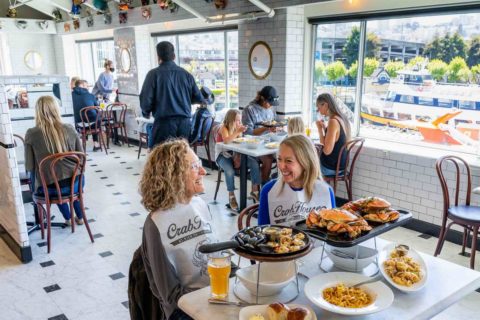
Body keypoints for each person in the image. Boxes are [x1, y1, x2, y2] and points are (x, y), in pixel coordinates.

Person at [129, 140, 215, 320]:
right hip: (183, 310)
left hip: (215, 295)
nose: (203, 171)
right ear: (173, 175)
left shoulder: (200, 205)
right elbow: (170, 295)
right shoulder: (156, 224)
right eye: (194, 167)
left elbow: (216, 253)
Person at [24, 96, 85, 225]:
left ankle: (68, 218)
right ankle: (80, 217)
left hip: (52, 188)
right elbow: (82, 157)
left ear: (37, 112)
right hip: (76, 183)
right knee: (68, 178)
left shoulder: (31, 133)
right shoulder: (69, 128)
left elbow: (30, 166)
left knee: (51, 179)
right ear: (56, 109)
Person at [258, 134, 335, 226]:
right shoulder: (268, 190)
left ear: (305, 163)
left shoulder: (326, 191)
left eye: (289, 161)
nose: (281, 166)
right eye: (279, 159)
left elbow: (332, 233)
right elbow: (262, 232)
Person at [140, 41, 205, 147]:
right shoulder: (186, 75)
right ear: (174, 56)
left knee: (163, 159)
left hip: (164, 124)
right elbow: (198, 98)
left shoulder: (153, 74)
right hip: (184, 124)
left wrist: (146, 113)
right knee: (181, 157)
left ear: (158, 57)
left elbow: (145, 100)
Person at [215, 109, 262, 210]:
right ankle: (231, 196)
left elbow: (238, 146)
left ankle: (255, 191)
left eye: (240, 121)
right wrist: (238, 131)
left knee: (254, 163)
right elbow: (227, 141)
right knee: (230, 171)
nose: (239, 123)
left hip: (235, 154)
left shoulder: (237, 128)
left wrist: (237, 157)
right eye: (237, 121)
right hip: (222, 155)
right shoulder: (223, 127)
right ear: (231, 120)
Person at [242, 86, 280, 184]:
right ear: (262, 98)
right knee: (268, 159)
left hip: (268, 143)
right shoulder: (249, 110)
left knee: (283, 156)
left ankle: (275, 185)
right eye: (269, 103)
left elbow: (274, 123)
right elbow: (247, 132)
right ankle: (264, 187)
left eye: (272, 104)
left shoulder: (271, 109)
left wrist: (276, 128)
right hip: (253, 145)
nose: (271, 106)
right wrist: (266, 127)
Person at [316, 93, 352, 177]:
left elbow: (326, 151)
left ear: (325, 105)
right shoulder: (342, 118)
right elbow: (336, 139)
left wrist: (320, 130)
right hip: (342, 167)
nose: (318, 111)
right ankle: (323, 189)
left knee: (303, 164)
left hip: (331, 169)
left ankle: (318, 189)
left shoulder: (333, 121)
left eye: (319, 107)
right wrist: (325, 129)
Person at [72, 79, 101, 151]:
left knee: (90, 118)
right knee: (97, 117)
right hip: (92, 123)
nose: (88, 87)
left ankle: (81, 143)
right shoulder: (90, 95)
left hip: (78, 123)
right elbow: (97, 107)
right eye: (86, 86)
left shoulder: (70, 95)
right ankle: (96, 144)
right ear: (81, 85)